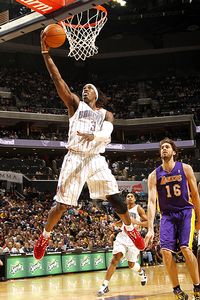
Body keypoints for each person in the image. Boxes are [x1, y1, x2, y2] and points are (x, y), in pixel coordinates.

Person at [33, 31, 144, 260]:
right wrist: (46, 53)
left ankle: (130, 229)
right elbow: (58, 80)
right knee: (62, 206)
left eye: (90, 87)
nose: (85, 89)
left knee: (115, 197)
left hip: (95, 158)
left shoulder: (106, 114)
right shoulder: (75, 104)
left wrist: (94, 137)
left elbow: (108, 132)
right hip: (74, 157)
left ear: (97, 94)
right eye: (84, 88)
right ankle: (44, 236)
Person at [145, 137, 200, 300]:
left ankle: (197, 286)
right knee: (165, 252)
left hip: (185, 212)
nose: (164, 149)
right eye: (162, 147)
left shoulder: (185, 168)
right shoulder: (154, 175)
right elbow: (151, 202)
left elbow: (195, 196)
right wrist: (149, 228)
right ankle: (177, 290)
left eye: (167, 147)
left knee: (185, 247)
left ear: (174, 152)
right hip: (167, 215)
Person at [97, 193, 148, 296]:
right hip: (122, 236)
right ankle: (105, 285)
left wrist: (136, 222)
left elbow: (147, 222)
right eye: (128, 196)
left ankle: (141, 272)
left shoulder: (138, 209)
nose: (129, 198)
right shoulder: (123, 209)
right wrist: (114, 224)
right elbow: (122, 222)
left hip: (134, 238)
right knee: (115, 258)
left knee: (131, 264)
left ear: (135, 199)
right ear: (125, 199)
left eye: (131, 196)